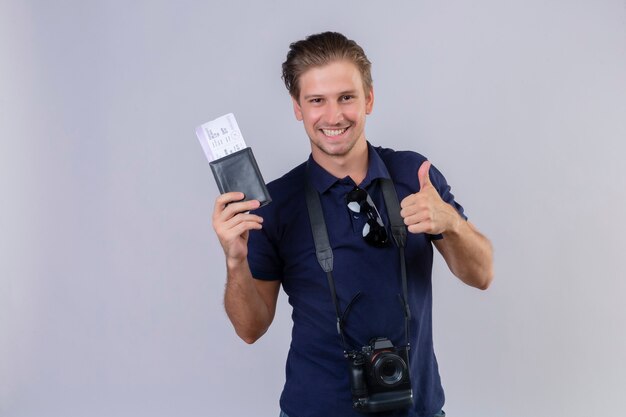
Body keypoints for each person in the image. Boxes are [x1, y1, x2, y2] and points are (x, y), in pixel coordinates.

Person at [212, 32, 493, 417]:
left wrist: (452, 225)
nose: (334, 116)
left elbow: (482, 274)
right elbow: (250, 329)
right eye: (316, 101)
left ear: (369, 99)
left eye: (346, 97)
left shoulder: (415, 175)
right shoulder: (276, 205)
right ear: (298, 107)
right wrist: (235, 261)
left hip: (418, 409)